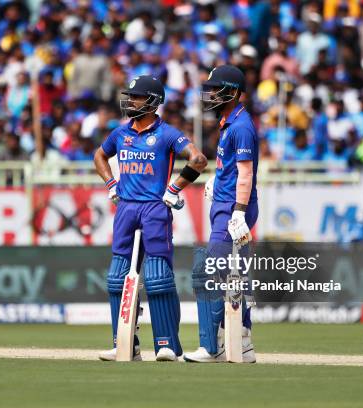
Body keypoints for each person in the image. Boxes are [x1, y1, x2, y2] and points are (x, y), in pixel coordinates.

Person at [93, 75, 207, 362]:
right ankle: (124, 343)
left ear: (153, 101)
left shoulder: (168, 133)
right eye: (130, 96)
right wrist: (111, 184)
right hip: (126, 209)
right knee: (117, 280)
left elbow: (198, 159)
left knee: (157, 278)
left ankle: (167, 344)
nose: (130, 101)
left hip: (155, 209)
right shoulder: (120, 134)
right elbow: (99, 156)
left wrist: (174, 188)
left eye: (137, 97)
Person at [184, 65, 259, 363]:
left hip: (232, 208)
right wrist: (217, 178)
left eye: (217, 89)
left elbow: (246, 173)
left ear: (233, 92)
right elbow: (231, 167)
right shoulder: (230, 121)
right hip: (226, 203)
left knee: (210, 272)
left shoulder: (240, 126)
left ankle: (213, 345)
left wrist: (238, 212)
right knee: (234, 273)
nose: (211, 94)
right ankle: (242, 341)